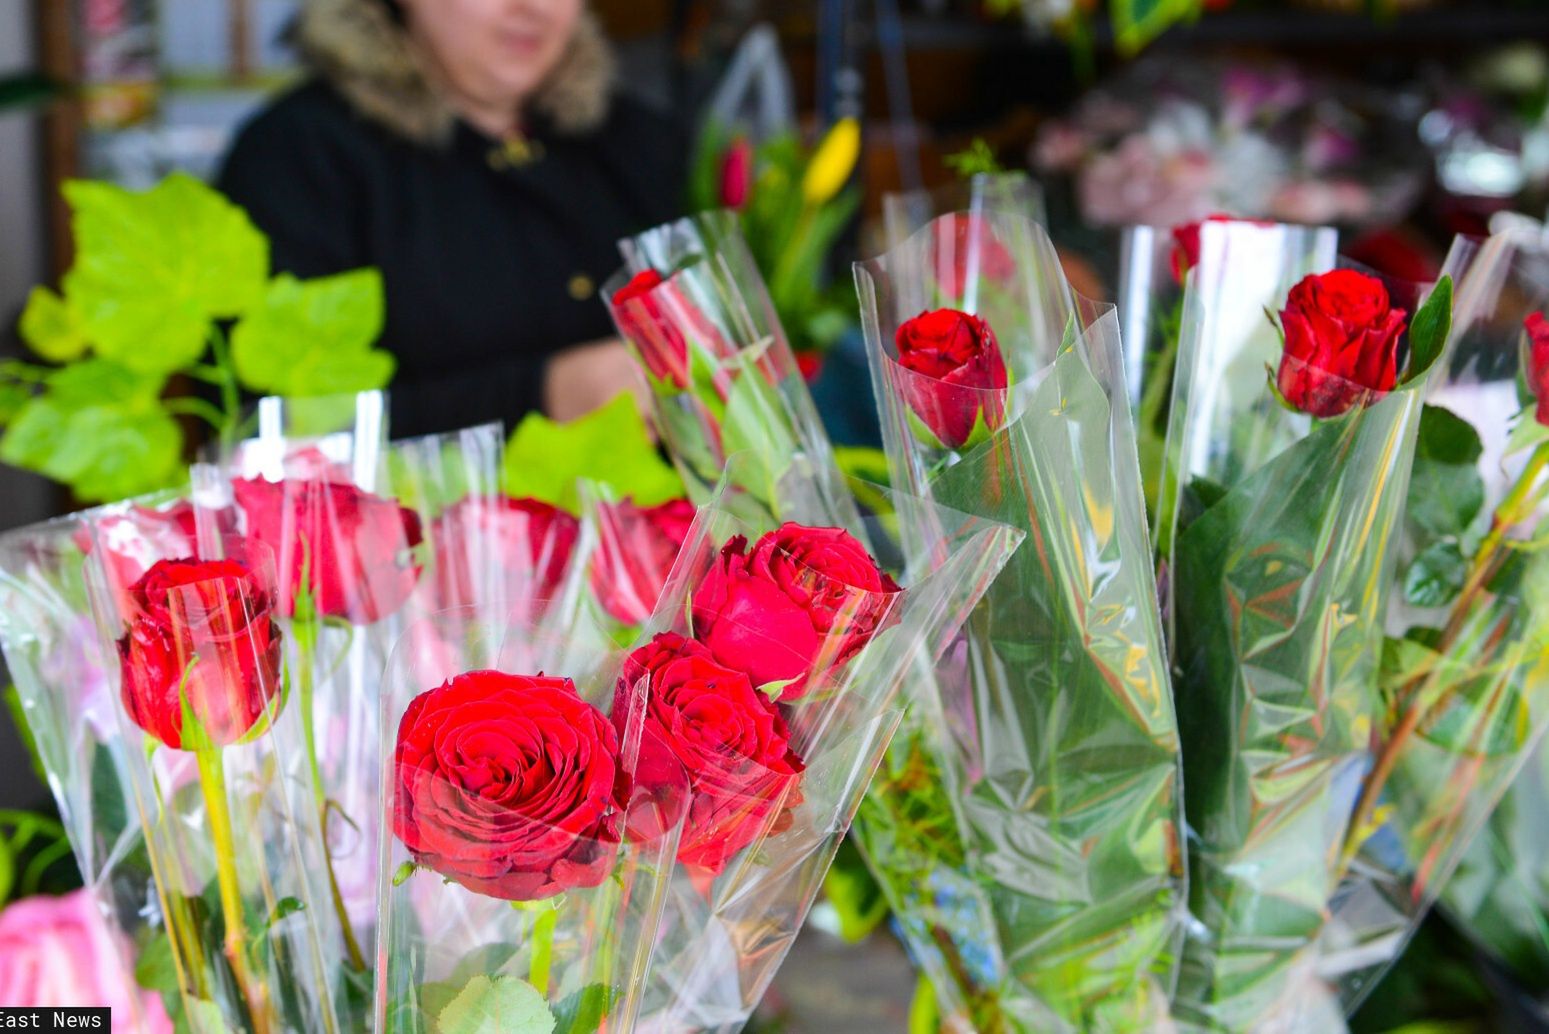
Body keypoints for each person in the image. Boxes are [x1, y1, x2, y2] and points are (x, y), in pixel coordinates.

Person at [219, 0, 686, 437]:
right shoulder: (300, 157)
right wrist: (540, 397)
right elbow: (266, 427)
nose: (531, 9)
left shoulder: (639, 142)